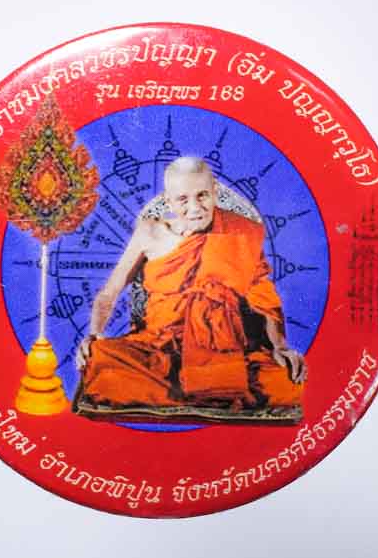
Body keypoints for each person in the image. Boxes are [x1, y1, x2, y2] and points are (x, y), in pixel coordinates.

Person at [74, 156, 306, 419]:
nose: (195, 208)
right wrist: (94, 334)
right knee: (100, 361)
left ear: (214, 192)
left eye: (202, 195)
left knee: (283, 380)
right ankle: (204, 394)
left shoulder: (241, 233)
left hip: (224, 351)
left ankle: (183, 393)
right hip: (158, 349)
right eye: (183, 199)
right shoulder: (150, 233)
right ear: (169, 201)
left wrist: (280, 346)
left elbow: (265, 299)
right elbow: (109, 293)